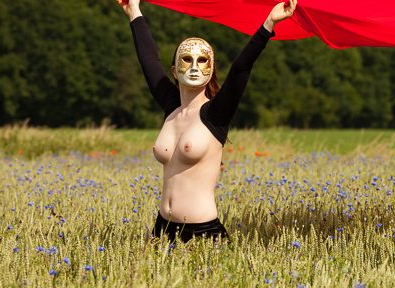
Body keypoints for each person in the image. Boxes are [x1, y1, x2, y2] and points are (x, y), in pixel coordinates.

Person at [118, 0, 297, 242]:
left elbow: (241, 69)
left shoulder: (216, 113)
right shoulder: (171, 107)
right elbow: (149, 60)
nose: (193, 67)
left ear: (211, 70)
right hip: (161, 231)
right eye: (186, 60)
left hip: (203, 234)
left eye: (202, 61)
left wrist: (269, 23)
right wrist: (134, 11)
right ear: (174, 71)